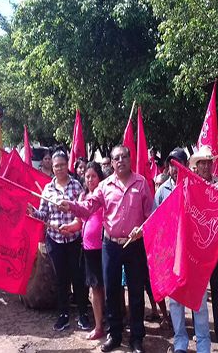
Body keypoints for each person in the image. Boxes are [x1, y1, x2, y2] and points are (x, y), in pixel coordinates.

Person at [59, 145, 152, 353]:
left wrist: (142, 230)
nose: (120, 161)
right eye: (116, 158)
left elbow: (150, 216)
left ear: (130, 158)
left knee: (136, 292)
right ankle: (115, 335)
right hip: (110, 245)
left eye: (124, 157)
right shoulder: (105, 186)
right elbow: (88, 207)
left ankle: (137, 338)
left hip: (134, 245)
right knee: (110, 291)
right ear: (111, 162)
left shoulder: (141, 183)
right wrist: (71, 205)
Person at [27, 151, 91, 332]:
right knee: (61, 279)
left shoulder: (77, 186)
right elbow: (43, 215)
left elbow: (83, 212)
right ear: (52, 168)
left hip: (73, 240)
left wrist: (72, 224)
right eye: (56, 166)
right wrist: (33, 212)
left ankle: (83, 314)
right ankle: (63, 315)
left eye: (62, 164)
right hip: (55, 240)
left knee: (77, 278)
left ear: (67, 165)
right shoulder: (48, 189)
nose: (59, 168)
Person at [158, 148, 211, 353]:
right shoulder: (162, 191)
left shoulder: (197, 187)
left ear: (186, 166)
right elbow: (156, 221)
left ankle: (203, 344)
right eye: (171, 165)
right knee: (176, 302)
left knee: (198, 300)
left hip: (195, 254)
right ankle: (180, 342)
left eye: (178, 164)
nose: (174, 169)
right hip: (173, 255)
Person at [190, 146, 218, 345]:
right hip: (196, 248)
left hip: (216, 249)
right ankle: (199, 329)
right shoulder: (190, 186)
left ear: (213, 164)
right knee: (197, 291)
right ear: (196, 166)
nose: (205, 166)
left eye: (208, 162)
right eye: (201, 163)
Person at [75, 162, 106, 340]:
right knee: (95, 289)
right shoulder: (82, 197)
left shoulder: (103, 195)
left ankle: (116, 322)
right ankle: (99, 326)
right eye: (87, 176)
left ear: (99, 177)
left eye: (93, 176)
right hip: (88, 250)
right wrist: (65, 227)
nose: (90, 179)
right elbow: (78, 223)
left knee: (110, 287)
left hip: (105, 248)